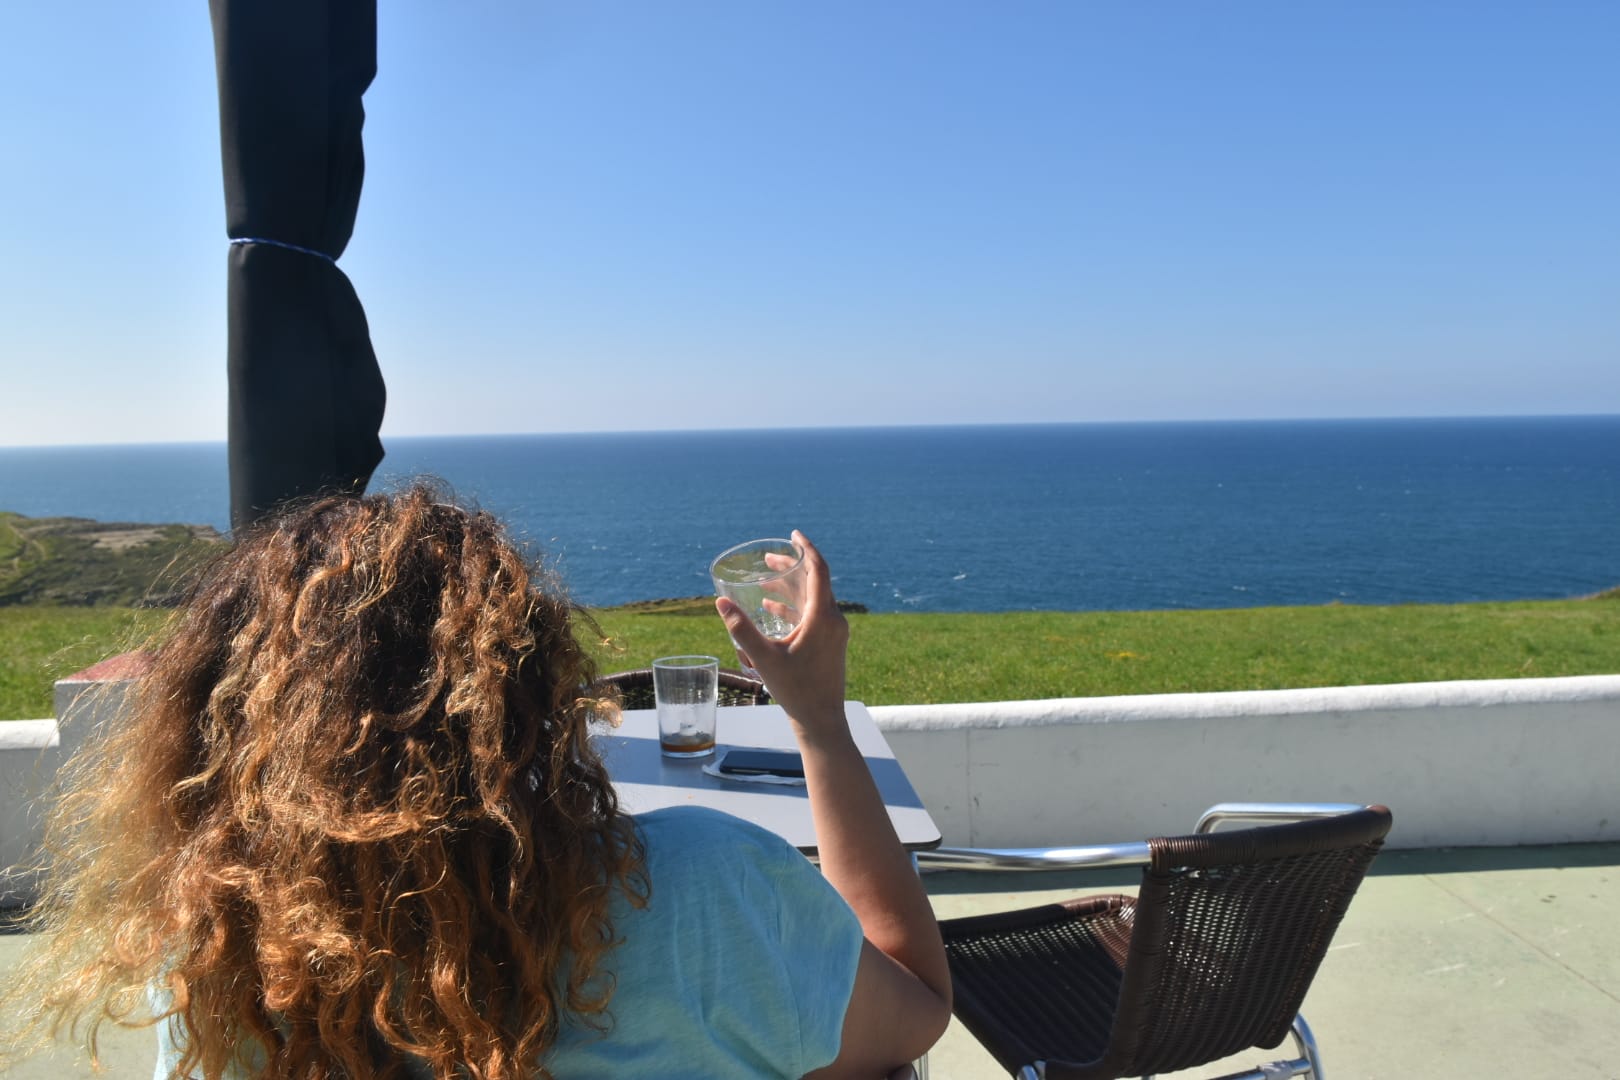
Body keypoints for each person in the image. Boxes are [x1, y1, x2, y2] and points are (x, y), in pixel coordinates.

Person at [0, 485, 950, 1079]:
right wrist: (819, 722)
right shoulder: (704, 895)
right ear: (532, 696)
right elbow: (914, 1005)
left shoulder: (226, 967)